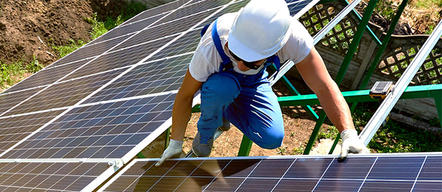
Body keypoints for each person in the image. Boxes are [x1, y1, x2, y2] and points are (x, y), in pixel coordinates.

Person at [156, 0, 365, 166]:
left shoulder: (294, 38)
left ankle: (224, 111)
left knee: (272, 138)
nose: (241, 64)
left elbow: (324, 86)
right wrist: (176, 143)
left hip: (255, 84)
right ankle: (208, 128)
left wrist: (348, 133)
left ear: (276, 47)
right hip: (219, 83)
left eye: (250, 60)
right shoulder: (213, 42)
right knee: (222, 88)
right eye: (235, 53)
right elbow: (185, 95)